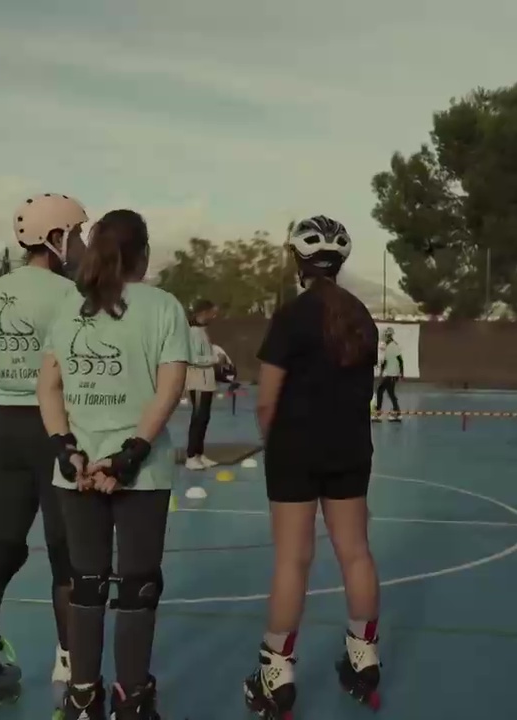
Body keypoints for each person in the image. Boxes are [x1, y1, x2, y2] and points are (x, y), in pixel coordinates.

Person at [37, 209, 189, 720]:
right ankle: (131, 700)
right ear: (142, 255)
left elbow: (47, 387)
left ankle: (84, 698)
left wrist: (67, 449)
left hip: (76, 472)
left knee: (86, 582)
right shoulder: (165, 306)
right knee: (138, 586)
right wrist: (131, 455)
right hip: (140, 473)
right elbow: (170, 388)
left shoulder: (69, 308)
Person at [0, 194, 88, 719]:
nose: (80, 241)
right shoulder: (71, 293)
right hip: (52, 427)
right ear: (56, 238)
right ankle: (70, 673)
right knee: (66, 559)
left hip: (3, 426)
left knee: (0, 548)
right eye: (76, 232)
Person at [243, 215, 382, 718]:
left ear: (298, 259)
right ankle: (364, 658)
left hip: (295, 453)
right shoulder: (361, 316)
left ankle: (276, 672)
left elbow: (266, 402)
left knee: (292, 560)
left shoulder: (291, 316)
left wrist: (273, 439)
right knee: (356, 553)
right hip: (350, 451)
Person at [184, 298, 220, 470]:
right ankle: (191, 456)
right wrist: (214, 358)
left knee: (204, 417)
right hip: (197, 380)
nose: (214, 316)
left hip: (208, 380)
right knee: (197, 418)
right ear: (203, 313)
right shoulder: (192, 332)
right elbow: (192, 358)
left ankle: (199, 454)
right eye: (212, 312)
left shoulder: (202, 331)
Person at [372, 326, 403, 422]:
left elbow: (397, 360)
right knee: (390, 393)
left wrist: (381, 370)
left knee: (381, 390)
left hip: (391, 374)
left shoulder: (391, 346)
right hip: (392, 373)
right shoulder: (392, 345)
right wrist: (401, 373)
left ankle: (378, 412)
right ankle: (397, 412)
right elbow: (399, 360)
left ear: (388, 336)